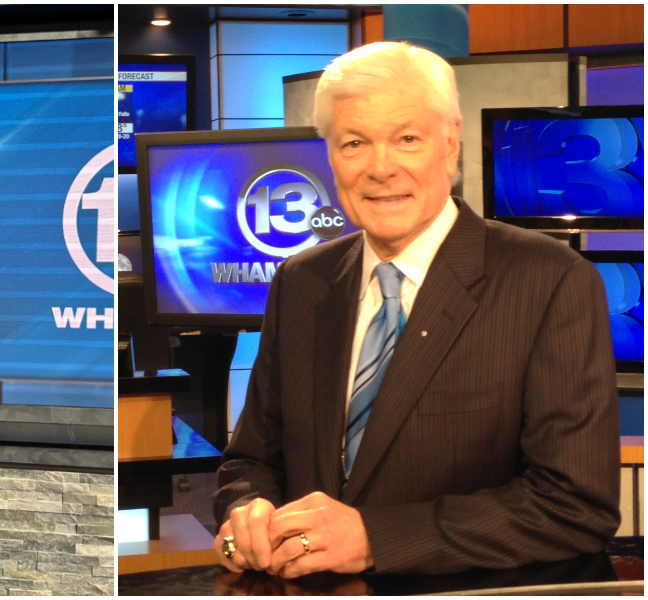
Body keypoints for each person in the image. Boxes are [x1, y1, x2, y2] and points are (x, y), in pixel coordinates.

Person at [213, 42, 619, 578]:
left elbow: (575, 506)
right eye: (355, 142)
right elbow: (252, 460)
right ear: (330, 156)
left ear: (450, 147)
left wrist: (376, 538)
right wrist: (246, 509)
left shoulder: (550, 281)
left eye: (407, 139)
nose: (381, 168)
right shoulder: (301, 281)